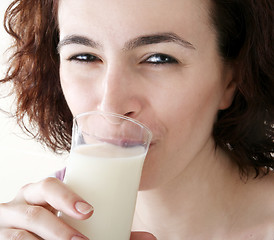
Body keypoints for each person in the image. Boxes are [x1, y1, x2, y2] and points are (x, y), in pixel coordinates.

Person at [0, 0, 273, 239]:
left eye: (158, 59)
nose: (112, 105)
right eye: (84, 56)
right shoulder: (46, 221)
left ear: (231, 78)